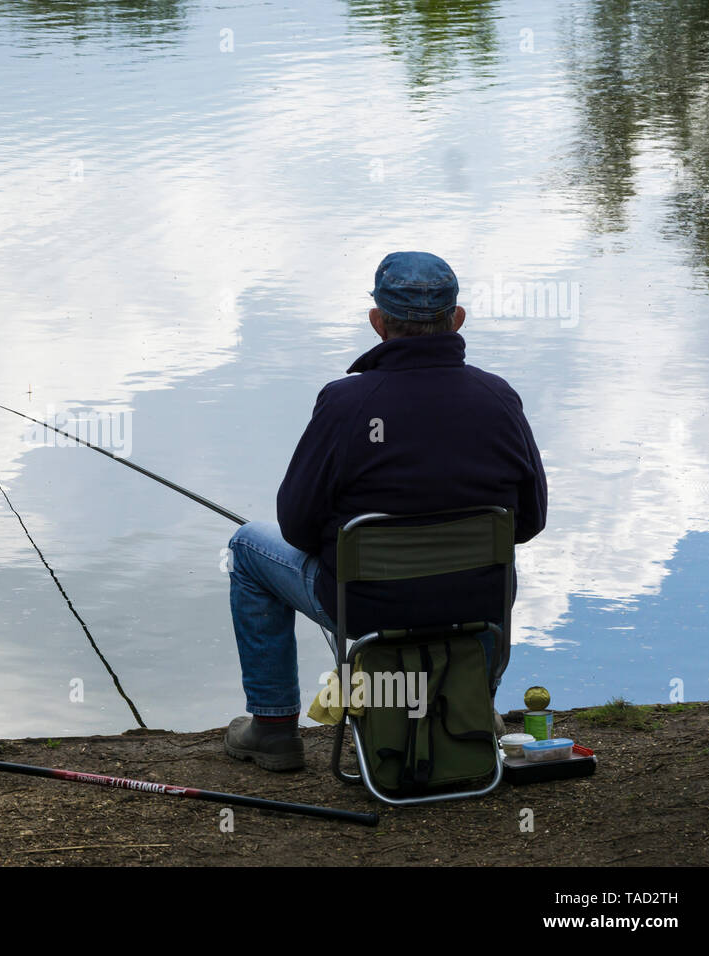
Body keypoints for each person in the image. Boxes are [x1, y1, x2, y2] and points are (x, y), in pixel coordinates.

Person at [224, 251, 548, 771]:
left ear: (377, 322)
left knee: (246, 548)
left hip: (368, 608)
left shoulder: (345, 403)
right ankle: (471, 706)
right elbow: (528, 522)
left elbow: (297, 526)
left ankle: (274, 729)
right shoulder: (498, 398)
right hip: (474, 604)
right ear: (457, 318)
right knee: (497, 559)